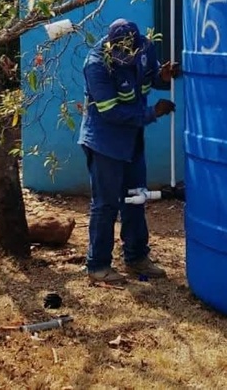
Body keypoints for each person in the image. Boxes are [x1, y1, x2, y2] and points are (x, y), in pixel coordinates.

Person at [78, 18, 180, 283]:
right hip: (105, 143)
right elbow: (110, 111)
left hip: (132, 140)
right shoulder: (97, 64)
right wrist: (152, 112)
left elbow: (150, 76)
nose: (128, 57)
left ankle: (136, 258)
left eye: (131, 52)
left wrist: (163, 76)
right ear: (111, 46)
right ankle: (98, 266)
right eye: (122, 53)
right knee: (106, 204)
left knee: (136, 198)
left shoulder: (145, 47)